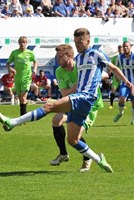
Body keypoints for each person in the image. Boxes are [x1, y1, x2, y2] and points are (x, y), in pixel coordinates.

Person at [0, 28, 134, 173]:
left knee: (49, 106)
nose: (78, 45)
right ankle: (99, 159)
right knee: (72, 140)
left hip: (87, 97)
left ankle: (12, 122)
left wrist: (126, 82)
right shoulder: (78, 59)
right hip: (80, 98)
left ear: (88, 41)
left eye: (80, 42)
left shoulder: (95, 53)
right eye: (75, 42)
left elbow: (112, 68)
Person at [49, 44, 106, 172]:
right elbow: (64, 94)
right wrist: (78, 85)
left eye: (59, 57)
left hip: (90, 105)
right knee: (56, 120)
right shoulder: (59, 71)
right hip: (73, 102)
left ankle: (88, 159)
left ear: (69, 56)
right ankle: (63, 154)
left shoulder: (81, 66)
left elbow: (102, 73)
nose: (57, 60)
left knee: (75, 137)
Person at [113, 41, 134, 126]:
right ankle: (120, 113)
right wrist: (116, 76)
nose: (125, 48)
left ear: (130, 47)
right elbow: (116, 68)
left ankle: (133, 120)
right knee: (122, 98)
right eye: (124, 46)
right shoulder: (120, 58)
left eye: (127, 46)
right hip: (125, 83)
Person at [6, 36, 37, 116]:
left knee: (23, 98)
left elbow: (35, 62)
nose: (22, 44)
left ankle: (22, 117)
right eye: (21, 42)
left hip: (27, 77)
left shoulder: (30, 53)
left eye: (24, 42)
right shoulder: (14, 53)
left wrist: (35, 69)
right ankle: (25, 114)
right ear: (18, 43)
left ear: (26, 43)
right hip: (17, 77)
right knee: (20, 98)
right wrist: (11, 69)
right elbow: (8, 63)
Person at [108, 44, 123, 109]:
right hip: (116, 76)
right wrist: (113, 74)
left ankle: (122, 105)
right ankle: (111, 105)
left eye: (121, 48)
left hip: (123, 76)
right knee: (113, 89)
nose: (120, 50)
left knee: (122, 91)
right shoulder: (115, 58)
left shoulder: (125, 57)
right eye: (119, 49)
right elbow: (111, 67)